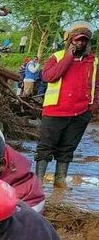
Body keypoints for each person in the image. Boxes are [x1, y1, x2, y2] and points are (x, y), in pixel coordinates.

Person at [35, 24, 98, 188]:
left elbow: (96, 86)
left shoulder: (94, 61)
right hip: (55, 111)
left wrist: (93, 106)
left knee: (68, 149)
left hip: (81, 113)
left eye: (84, 41)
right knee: (45, 148)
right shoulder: (57, 56)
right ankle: (38, 183)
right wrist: (68, 57)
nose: (81, 44)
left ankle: (60, 180)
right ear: (70, 41)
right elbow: (49, 76)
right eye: (77, 40)